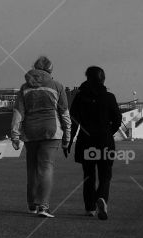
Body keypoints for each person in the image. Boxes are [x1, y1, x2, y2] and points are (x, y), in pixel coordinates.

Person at [9, 56, 71, 217]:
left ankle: (32, 205)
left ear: (35, 68)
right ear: (50, 70)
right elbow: (64, 114)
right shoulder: (57, 86)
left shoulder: (24, 88)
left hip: (30, 132)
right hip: (51, 131)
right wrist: (67, 137)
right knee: (46, 168)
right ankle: (43, 206)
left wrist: (15, 136)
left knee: (32, 168)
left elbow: (18, 113)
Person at [67, 66, 122, 220]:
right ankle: (102, 197)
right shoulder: (109, 97)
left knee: (89, 175)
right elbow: (118, 119)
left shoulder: (79, 97)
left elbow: (74, 121)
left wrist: (69, 141)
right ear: (103, 79)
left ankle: (90, 208)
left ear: (87, 78)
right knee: (105, 174)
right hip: (105, 141)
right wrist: (108, 132)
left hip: (86, 141)